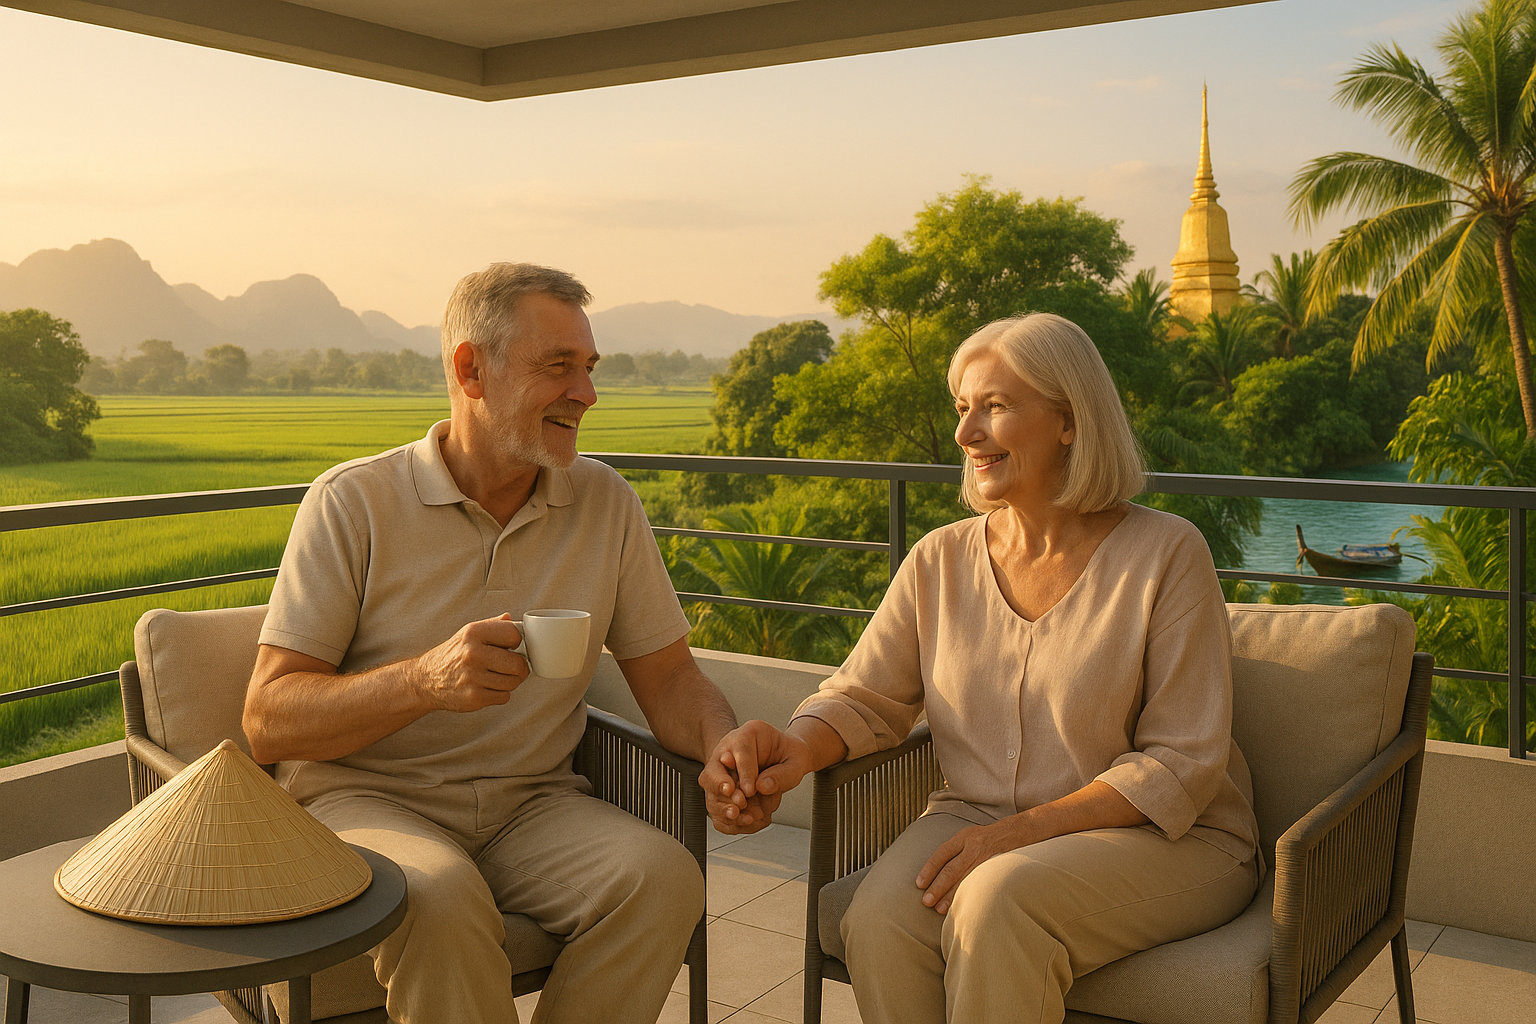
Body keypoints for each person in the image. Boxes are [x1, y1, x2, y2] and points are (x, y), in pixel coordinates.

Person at [701, 312, 1263, 1024]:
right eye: (964, 409)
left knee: (999, 901)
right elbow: (865, 696)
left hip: (1164, 838)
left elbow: (1181, 764)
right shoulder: (940, 558)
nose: (966, 435)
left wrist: (1020, 836)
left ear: (1069, 420)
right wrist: (793, 750)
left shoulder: (1167, 554)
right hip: (975, 817)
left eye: (994, 408)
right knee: (879, 919)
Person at [242, 263, 749, 1024]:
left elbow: (670, 677)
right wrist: (421, 682)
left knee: (664, 877)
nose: (587, 392)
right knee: (437, 897)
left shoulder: (605, 503)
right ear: (470, 369)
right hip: (370, 800)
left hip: (534, 805)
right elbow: (268, 720)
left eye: (588, 368)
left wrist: (723, 744)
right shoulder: (353, 502)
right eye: (558, 367)